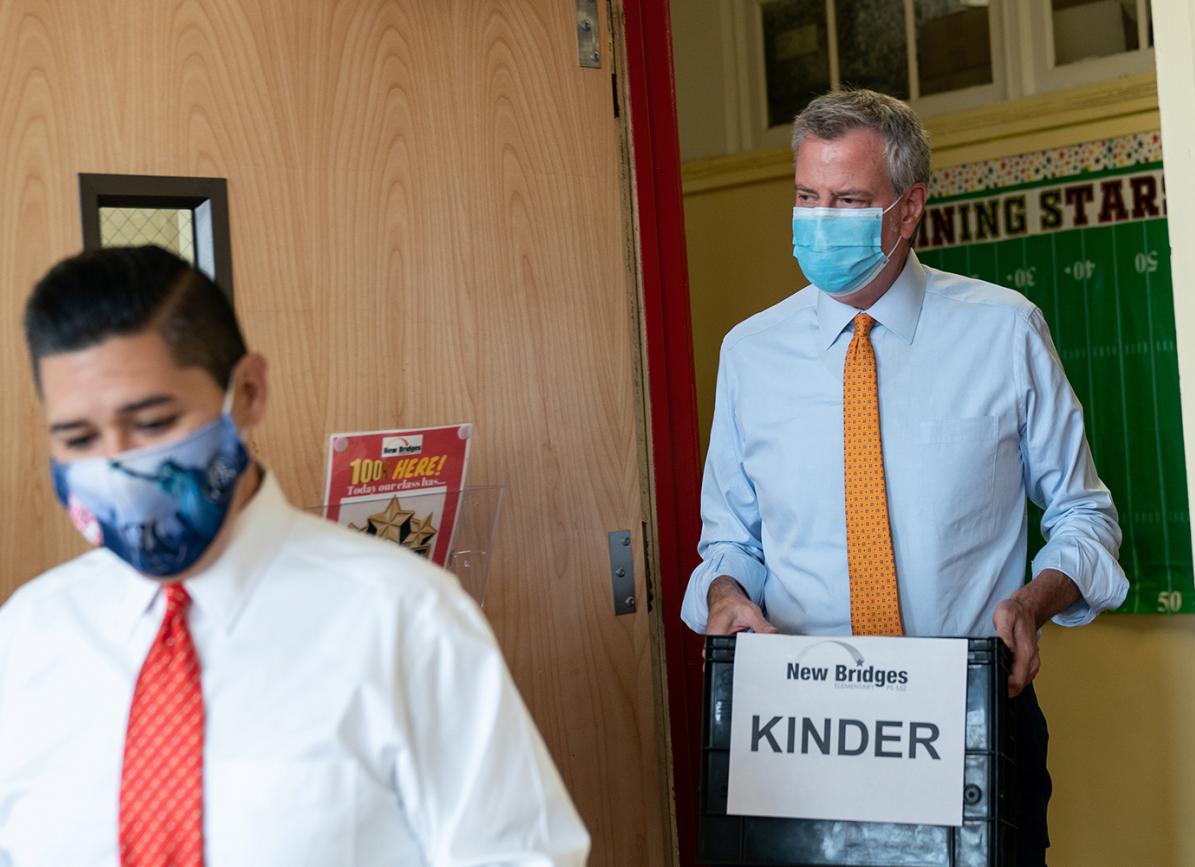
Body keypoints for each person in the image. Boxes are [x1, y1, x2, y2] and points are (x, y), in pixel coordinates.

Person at [0, 246, 589, 867]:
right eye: (79, 438)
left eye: (152, 424)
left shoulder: (405, 617)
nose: (117, 468)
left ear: (248, 392)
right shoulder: (27, 635)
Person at [680, 89, 1129, 864]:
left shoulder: (1004, 331)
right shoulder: (749, 354)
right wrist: (724, 594)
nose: (821, 220)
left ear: (909, 207)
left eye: (849, 200)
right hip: (800, 734)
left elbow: (1085, 516)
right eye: (807, 197)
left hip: (968, 720)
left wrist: (1031, 601)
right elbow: (731, 539)